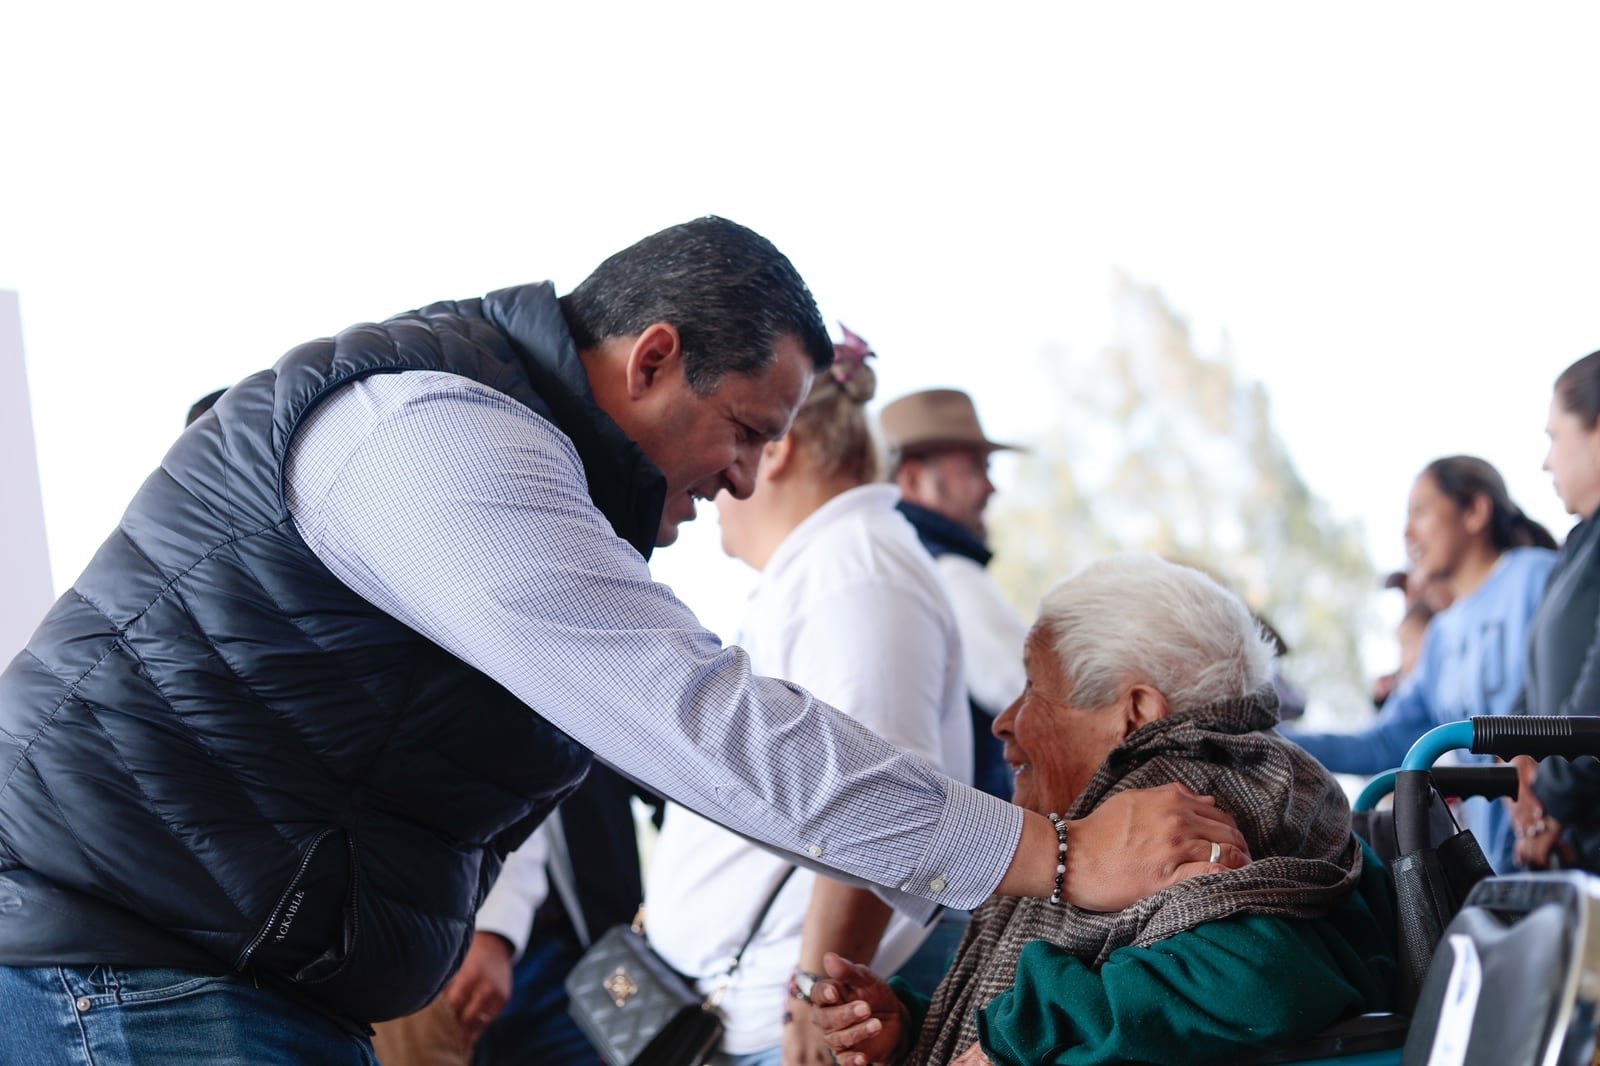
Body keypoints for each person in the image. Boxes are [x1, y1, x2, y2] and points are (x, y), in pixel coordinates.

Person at [0, 217, 1248, 1065]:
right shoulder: (440, 436)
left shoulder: (533, 470)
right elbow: (693, 717)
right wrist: (1053, 848)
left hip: (209, 969)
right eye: (746, 428)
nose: (749, 475)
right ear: (654, 358)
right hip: (128, 968)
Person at [810, 555, 1396, 1066]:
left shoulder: (1197, 803)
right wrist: (918, 1030)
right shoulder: (1211, 791)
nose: (1005, 720)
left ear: (1135, 712)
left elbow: (1261, 977)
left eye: (1035, 687)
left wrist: (1020, 1036)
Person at [645, 329, 971, 1066]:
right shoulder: (833, 567)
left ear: (782, 446)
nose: (720, 483)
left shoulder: (855, 570)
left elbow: (887, 795)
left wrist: (811, 1003)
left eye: (743, 438)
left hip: (775, 1035)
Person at [1290, 456, 1558, 871]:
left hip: (1566, 846)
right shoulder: (1441, 637)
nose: (1407, 531)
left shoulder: (1538, 578)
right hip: (1497, 870)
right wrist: (1277, 738)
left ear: (1475, 512)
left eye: (1421, 511)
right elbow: (1385, 743)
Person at [879, 387, 1027, 801]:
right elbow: (1032, 693)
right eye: (976, 470)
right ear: (912, 479)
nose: (990, 488)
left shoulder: (895, 566)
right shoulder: (949, 572)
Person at [1510, 350, 1600, 872]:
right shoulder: (1575, 546)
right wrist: (1517, 761)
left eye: (1554, 436)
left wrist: (1554, 802)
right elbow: (1532, 685)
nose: (1546, 461)